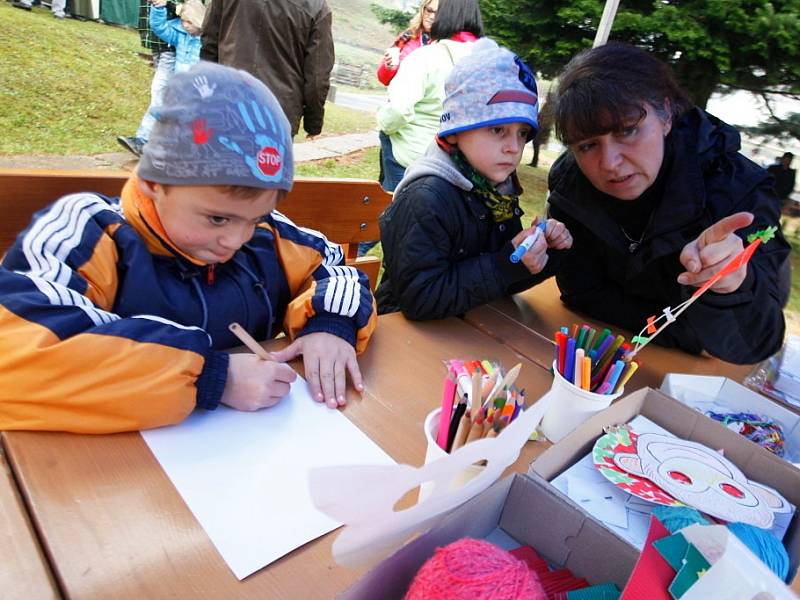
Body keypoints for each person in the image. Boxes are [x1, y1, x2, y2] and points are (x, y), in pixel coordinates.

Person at [0, 63, 377, 434]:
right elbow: (20, 351)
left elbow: (332, 264)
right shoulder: (90, 231)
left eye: (257, 216)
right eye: (217, 219)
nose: (237, 240)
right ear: (153, 183)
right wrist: (211, 378)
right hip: (114, 476)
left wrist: (331, 323)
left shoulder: (268, 234)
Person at [546, 43, 790, 365]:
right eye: (588, 145)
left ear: (665, 116)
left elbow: (756, 343)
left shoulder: (739, 192)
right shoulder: (571, 184)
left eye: (628, 130)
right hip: (605, 356)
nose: (610, 163)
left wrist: (731, 285)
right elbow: (582, 293)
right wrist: (685, 332)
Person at [375, 39, 572, 320]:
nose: (514, 147)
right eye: (497, 129)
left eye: (522, 133)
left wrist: (543, 253)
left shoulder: (497, 191)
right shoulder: (425, 198)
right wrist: (506, 263)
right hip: (405, 337)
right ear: (454, 131)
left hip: (471, 330)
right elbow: (419, 299)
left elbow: (504, 280)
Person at [375, 0, 483, 192]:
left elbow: (398, 110)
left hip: (412, 157)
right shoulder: (488, 63)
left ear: (447, 14)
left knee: (393, 213)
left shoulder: (425, 57)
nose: (432, 15)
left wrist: (383, 122)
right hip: (457, 164)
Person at [201, 0, 334, 140]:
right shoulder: (317, 7)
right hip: (276, 116)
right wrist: (313, 124)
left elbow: (209, 44)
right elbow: (317, 77)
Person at [117, 0, 178, 157]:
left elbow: (194, 8)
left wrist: (168, 3)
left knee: (160, 93)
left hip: (171, 44)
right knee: (166, 97)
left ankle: (144, 140)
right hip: (157, 43)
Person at [375, 0, 437, 87]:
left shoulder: (445, 43)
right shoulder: (407, 36)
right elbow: (384, 80)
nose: (432, 16)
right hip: (400, 97)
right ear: (423, 10)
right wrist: (389, 68)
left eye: (437, 13)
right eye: (429, 10)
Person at [149, 0, 204, 73]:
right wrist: (159, 8)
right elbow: (159, 28)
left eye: (189, 22)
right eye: (183, 20)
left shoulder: (206, 42)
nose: (185, 25)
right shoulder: (180, 35)